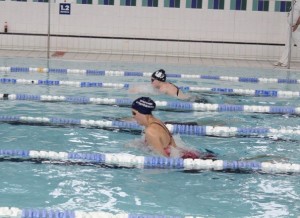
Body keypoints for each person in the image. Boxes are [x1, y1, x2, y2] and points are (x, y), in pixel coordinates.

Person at [131, 96, 216, 159]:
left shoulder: (150, 131)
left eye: (134, 113)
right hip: (188, 155)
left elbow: (163, 158)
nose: (133, 117)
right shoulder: (157, 122)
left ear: (142, 112)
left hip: (187, 161)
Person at [274, 0, 300, 67]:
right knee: (288, 44)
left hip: (296, 27)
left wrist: (296, 25)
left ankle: (283, 61)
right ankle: (283, 61)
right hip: (291, 26)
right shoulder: (295, 2)